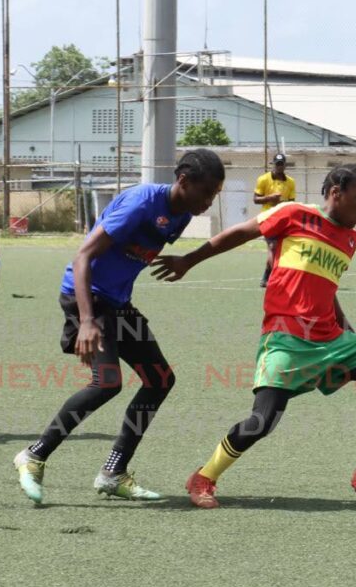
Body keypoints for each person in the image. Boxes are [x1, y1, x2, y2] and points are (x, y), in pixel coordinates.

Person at [152, 163, 356, 509]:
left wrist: (347, 331)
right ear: (336, 193)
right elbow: (241, 233)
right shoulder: (293, 213)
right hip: (285, 340)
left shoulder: (351, 238)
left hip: (332, 340)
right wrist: (189, 259)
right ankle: (203, 477)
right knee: (262, 421)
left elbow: (325, 287)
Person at [12, 150, 225, 504]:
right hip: (87, 298)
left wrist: (181, 261)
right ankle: (34, 455)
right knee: (107, 383)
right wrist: (85, 321)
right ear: (184, 181)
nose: (208, 202)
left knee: (159, 379)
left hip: (116, 305)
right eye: (206, 193)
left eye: (214, 195)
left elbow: (132, 251)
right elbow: (83, 256)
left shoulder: (181, 215)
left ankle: (113, 472)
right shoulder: (141, 203)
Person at [254, 153, 296, 287]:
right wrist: (270, 198)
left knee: (281, 249)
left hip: (284, 218)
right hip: (268, 217)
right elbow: (256, 199)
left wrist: (281, 204)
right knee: (272, 247)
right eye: (277, 164)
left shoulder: (290, 182)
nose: (279, 167)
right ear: (273, 164)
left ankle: (267, 276)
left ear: (284, 165)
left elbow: (291, 202)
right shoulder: (263, 179)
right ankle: (273, 277)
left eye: (281, 164)